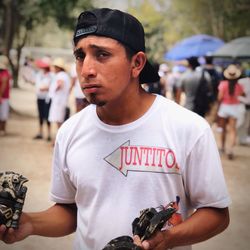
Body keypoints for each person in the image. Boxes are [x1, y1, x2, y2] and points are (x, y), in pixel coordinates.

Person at [0, 8, 230, 250]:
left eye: (102, 54)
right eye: (80, 56)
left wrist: (167, 239)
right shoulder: (70, 131)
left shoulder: (188, 129)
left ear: (137, 63)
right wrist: (30, 223)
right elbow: (70, 210)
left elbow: (216, 213)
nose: (86, 69)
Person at [217, 64, 245, 159]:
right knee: (232, 130)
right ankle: (230, 150)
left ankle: (222, 147)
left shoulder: (223, 84)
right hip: (235, 108)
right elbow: (242, 94)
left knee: (223, 129)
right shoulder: (239, 85)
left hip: (224, 108)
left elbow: (219, 97)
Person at [33, 57, 53, 141]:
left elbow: (53, 86)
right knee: (40, 115)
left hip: (47, 98)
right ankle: (40, 132)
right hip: (39, 97)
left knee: (47, 116)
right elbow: (36, 83)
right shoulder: (39, 74)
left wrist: (46, 88)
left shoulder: (51, 75)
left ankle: (49, 134)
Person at [48, 57, 71, 131]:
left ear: (58, 68)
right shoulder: (64, 75)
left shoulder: (61, 75)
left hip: (59, 101)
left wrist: (55, 88)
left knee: (59, 120)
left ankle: (59, 138)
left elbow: (60, 84)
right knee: (59, 120)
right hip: (60, 100)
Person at [0, 55, 12, 136]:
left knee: (3, 115)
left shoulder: (4, 73)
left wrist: (0, 95)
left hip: (3, 97)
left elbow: (3, 85)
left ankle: (2, 129)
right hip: (2, 97)